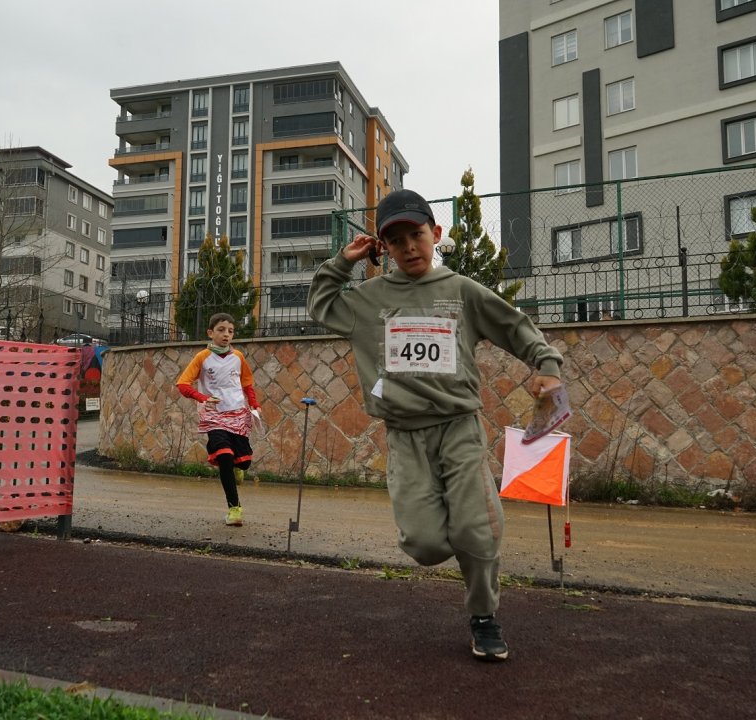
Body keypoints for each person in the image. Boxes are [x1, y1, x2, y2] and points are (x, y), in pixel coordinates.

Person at [307, 189, 563, 662]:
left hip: (459, 429)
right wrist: (343, 262)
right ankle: (459, 538)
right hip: (405, 436)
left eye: (417, 235)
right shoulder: (368, 300)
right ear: (383, 247)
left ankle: (484, 615)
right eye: (397, 240)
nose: (409, 247)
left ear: (436, 234)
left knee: (478, 532)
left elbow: (513, 325)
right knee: (423, 544)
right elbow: (321, 305)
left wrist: (545, 361)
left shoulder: (461, 291)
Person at [175, 313, 261, 526]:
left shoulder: (238, 357)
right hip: (213, 417)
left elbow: (248, 384)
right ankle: (234, 510)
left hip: (238, 414)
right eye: (221, 330)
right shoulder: (202, 357)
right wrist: (203, 398)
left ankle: (238, 468)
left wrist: (254, 405)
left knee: (245, 462)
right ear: (210, 333)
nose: (226, 335)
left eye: (230, 331)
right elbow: (183, 384)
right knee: (224, 456)